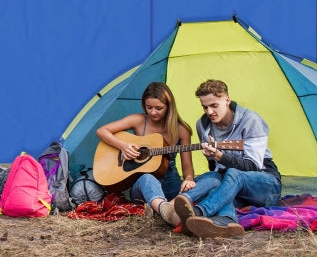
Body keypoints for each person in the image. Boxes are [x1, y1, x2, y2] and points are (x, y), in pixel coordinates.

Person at [170, 79, 281, 238]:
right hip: (235, 189)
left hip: (266, 185)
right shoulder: (203, 125)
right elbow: (215, 169)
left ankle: (199, 211)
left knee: (233, 173)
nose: (209, 112)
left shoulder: (251, 121)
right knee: (215, 180)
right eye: (205, 107)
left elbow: (253, 167)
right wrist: (212, 158)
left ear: (227, 100)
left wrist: (220, 156)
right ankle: (228, 222)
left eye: (214, 105)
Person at [96, 82, 195, 226]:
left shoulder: (181, 129)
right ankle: (164, 209)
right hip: (141, 186)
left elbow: (187, 166)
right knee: (147, 178)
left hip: (170, 183)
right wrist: (123, 146)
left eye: (159, 108)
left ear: (169, 107)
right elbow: (102, 131)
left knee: (207, 182)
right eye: (149, 107)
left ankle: (159, 208)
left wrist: (189, 178)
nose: (153, 112)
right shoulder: (138, 120)